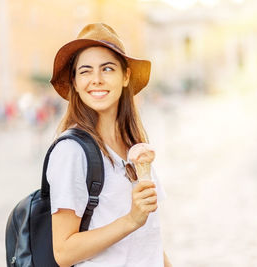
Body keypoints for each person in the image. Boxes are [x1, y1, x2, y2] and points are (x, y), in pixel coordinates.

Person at [47, 23, 172, 267]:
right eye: (85, 71)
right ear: (74, 81)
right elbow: (63, 251)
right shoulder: (71, 151)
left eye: (107, 68)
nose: (96, 80)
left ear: (125, 76)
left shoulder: (136, 149)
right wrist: (131, 219)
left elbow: (148, 239)